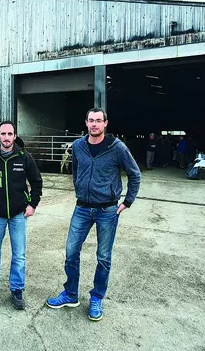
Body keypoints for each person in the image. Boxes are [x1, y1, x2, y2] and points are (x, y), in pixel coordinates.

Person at [46, 107, 141, 321]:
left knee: (103, 257)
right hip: (82, 207)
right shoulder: (79, 146)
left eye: (99, 120)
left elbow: (135, 175)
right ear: (86, 122)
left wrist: (127, 202)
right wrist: (79, 188)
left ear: (106, 123)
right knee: (71, 252)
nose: (94, 124)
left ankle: (97, 297)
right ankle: (70, 294)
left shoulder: (117, 148)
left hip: (107, 210)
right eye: (91, 120)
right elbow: (76, 171)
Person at [0, 121, 43, 310]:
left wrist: (32, 204)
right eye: (3, 134)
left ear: (14, 136)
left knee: (19, 254)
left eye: (10, 134)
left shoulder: (24, 157)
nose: (6, 137)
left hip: (18, 214)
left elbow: (36, 181)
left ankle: (17, 289)